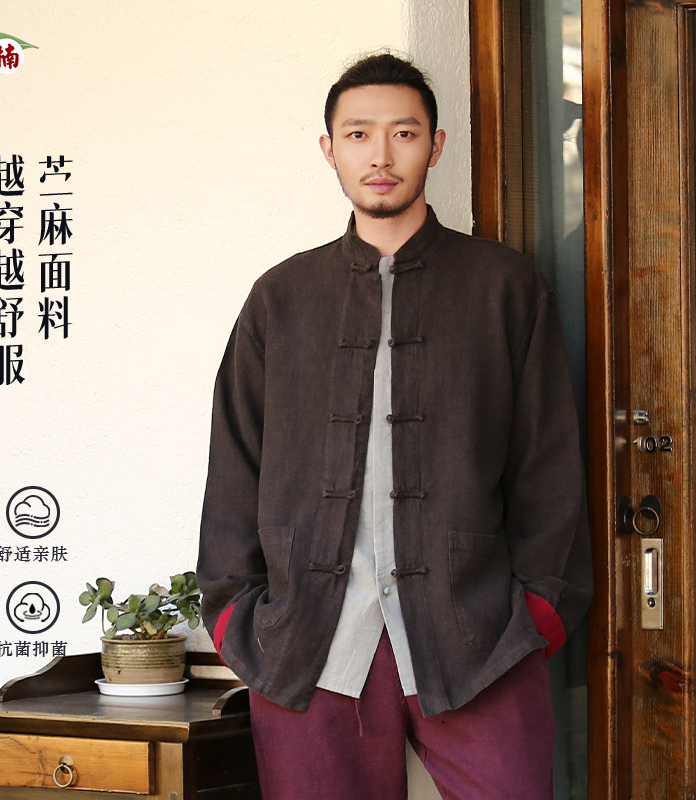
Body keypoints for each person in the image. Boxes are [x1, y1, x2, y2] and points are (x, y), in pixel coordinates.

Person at [197, 52, 592, 800]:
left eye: (403, 133)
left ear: (435, 146)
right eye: (358, 135)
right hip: (308, 646)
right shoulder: (282, 297)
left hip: (479, 636)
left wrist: (539, 611)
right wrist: (232, 613)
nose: (380, 156)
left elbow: (549, 463)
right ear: (330, 149)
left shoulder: (505, 287)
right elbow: (235, 461)